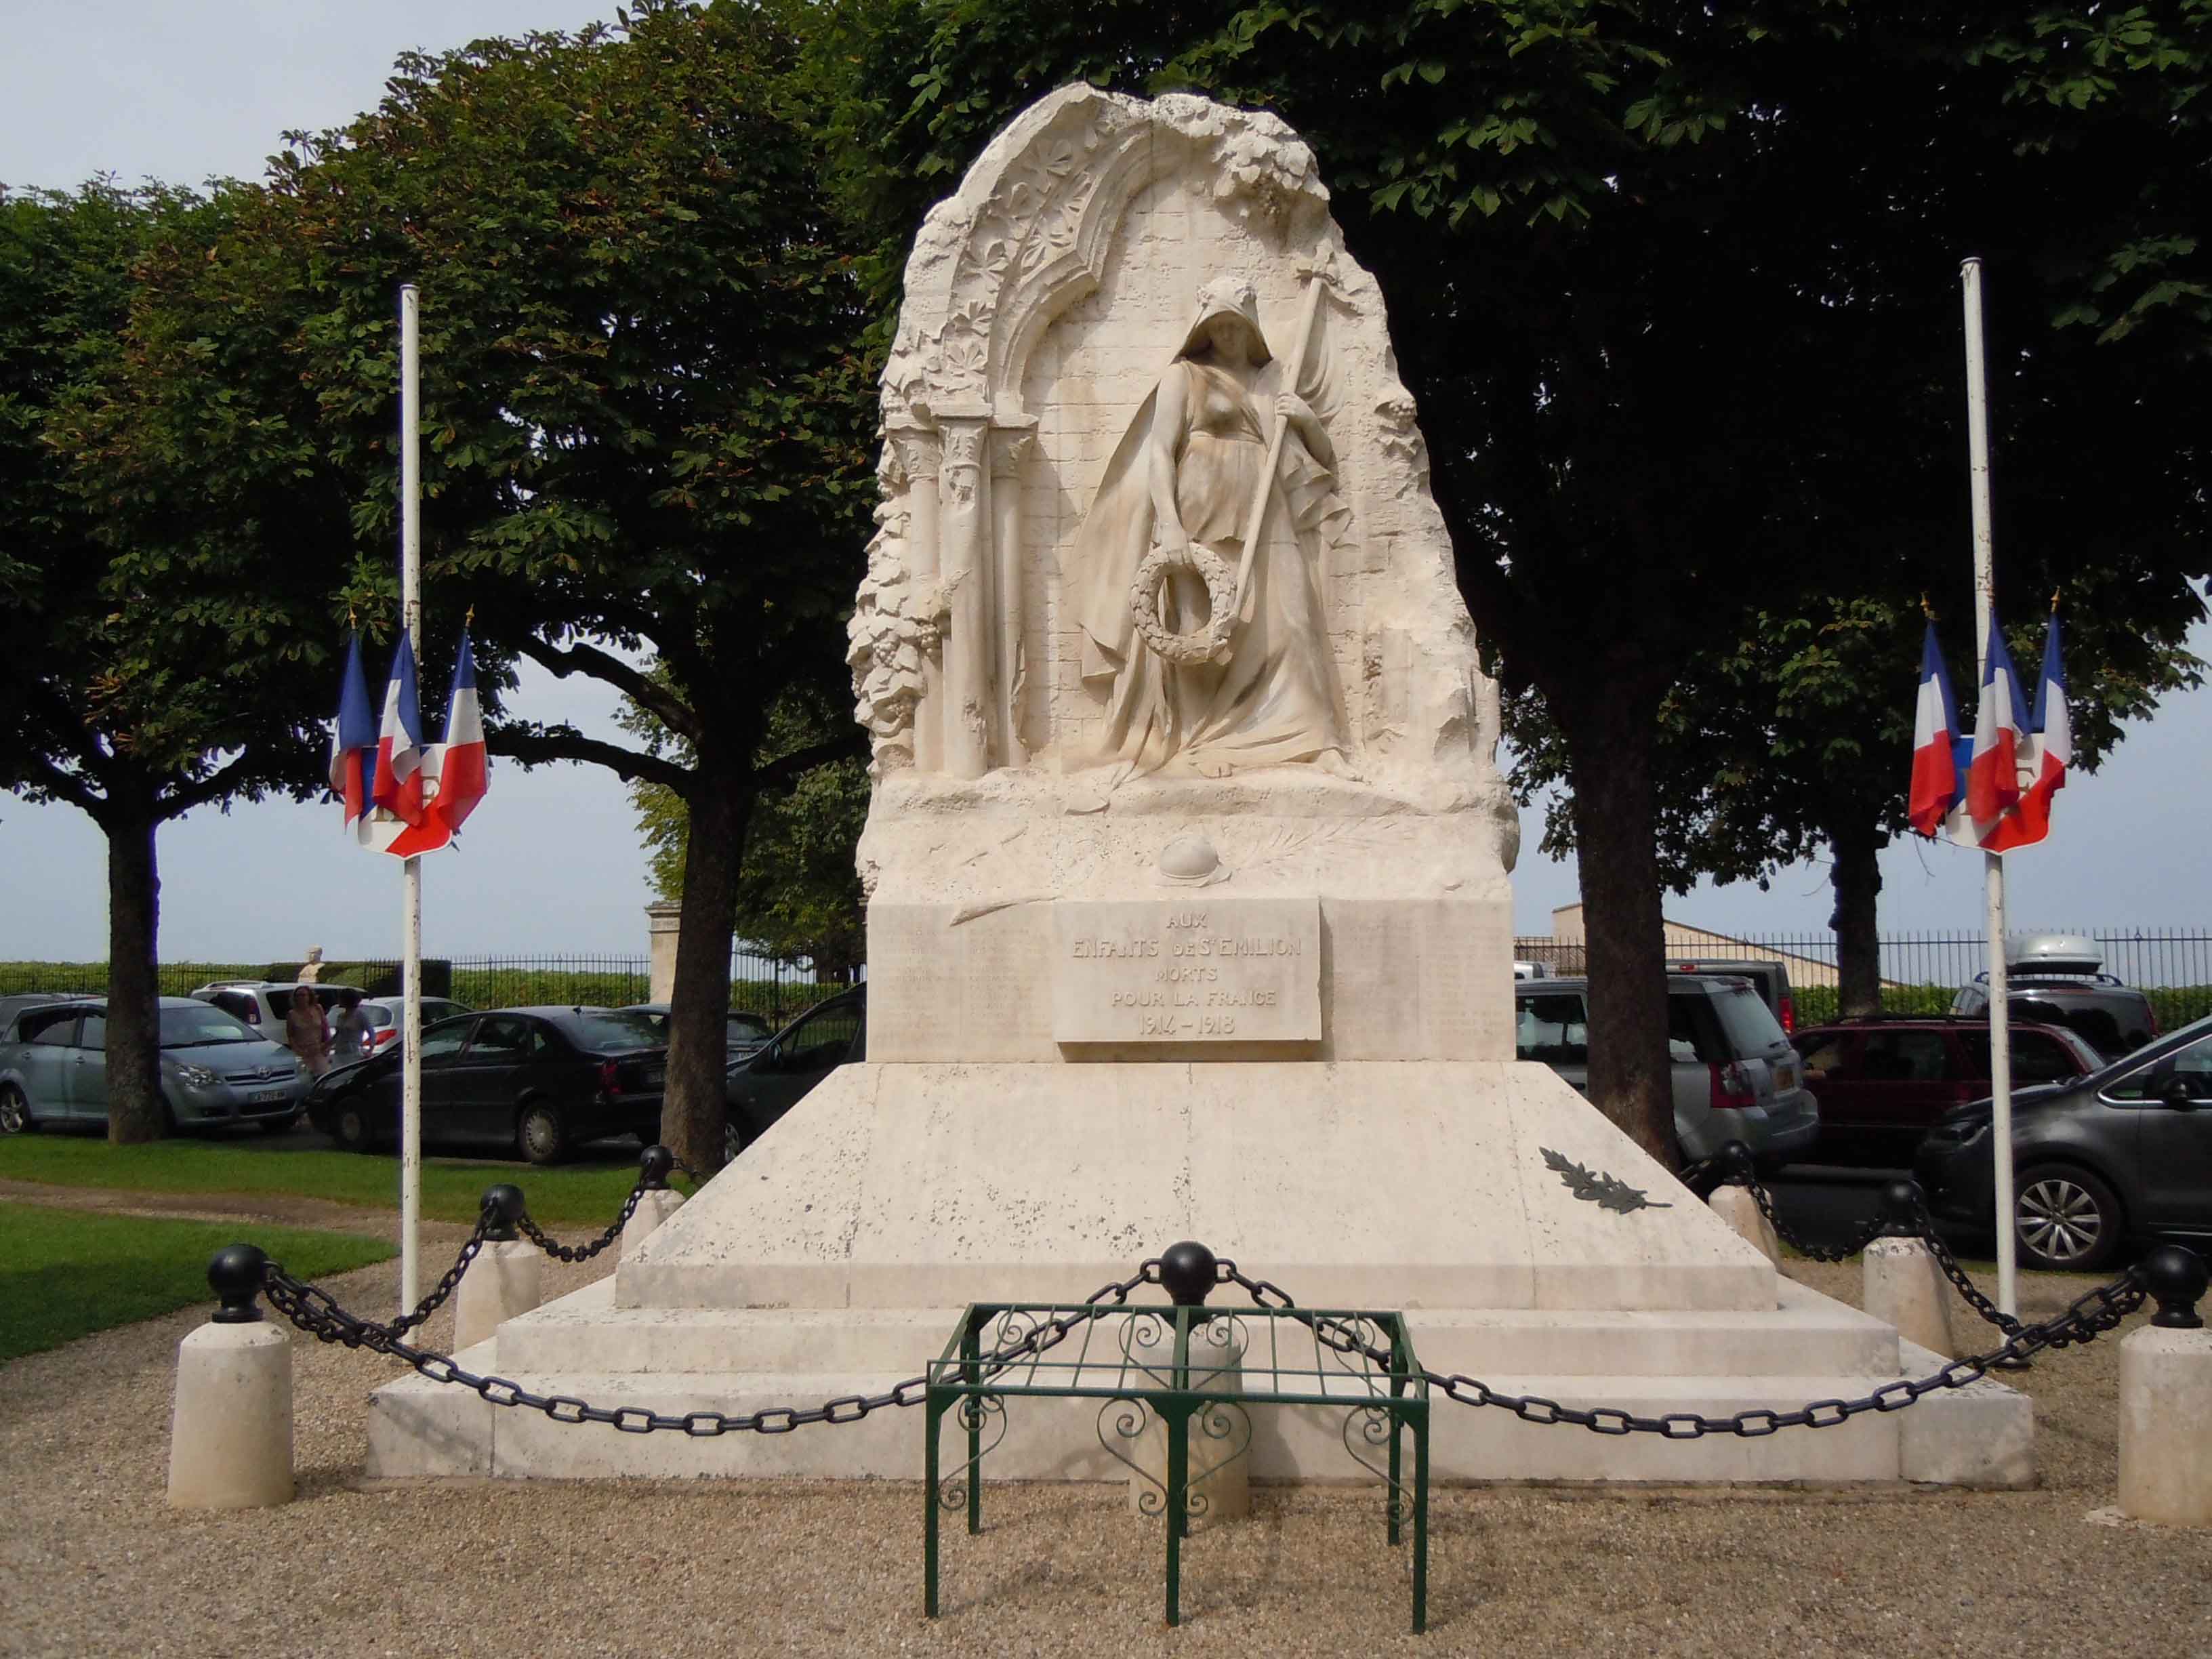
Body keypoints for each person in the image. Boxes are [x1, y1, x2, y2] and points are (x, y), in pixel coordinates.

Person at [1064, 276, 1351, 777]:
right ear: (1204, 329)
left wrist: (1306, 418)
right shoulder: (1185, 376)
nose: (1227, 335)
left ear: (1251, 328)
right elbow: (1161, 451)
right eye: (1217, 326)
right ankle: (1197, 745)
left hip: (1266, 513)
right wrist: (1170, 524)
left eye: (1234, 325)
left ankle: (1319, 741)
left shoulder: (1273, 379)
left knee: (1294, 623)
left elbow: (1323, 461)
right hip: (1199, 513)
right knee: (1198, 631)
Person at [285, 985, 332, 1078]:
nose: (300, 998)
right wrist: (298, 1051)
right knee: (306, 1078)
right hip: (303, 1053)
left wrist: (327, 1047)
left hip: (319, 1050)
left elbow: (326, 1029)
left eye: (303, 995)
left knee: (324, 1077)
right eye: (298, 996)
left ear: (309, 996)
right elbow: (290, 1036)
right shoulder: (292, 1014)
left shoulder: (318, 1009)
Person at [329, 987, 371, 1067]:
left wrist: (370, 1051)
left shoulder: (361, 1016)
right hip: (339, 1052)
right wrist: (326, 1046)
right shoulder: (340, 1016)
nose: (338, 1000)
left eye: (340, 998)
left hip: (354, 1053)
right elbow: (338, 1035)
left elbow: (371, 1033)